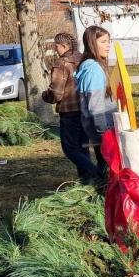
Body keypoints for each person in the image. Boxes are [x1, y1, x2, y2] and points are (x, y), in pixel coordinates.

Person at [42, 33, 95, 182]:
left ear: (65, 46)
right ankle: (86, 179)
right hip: (85, 109)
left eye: (56, 46)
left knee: (70, 149)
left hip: (69, 111)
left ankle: (96, 173)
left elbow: (56, 94)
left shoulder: (62, 64)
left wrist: (45, 96)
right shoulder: (83, 60)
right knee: (82, 147)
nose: (55, 49)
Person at [75, 25, 116, 178]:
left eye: (108, 41)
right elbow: (96, 107)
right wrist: (103, 133)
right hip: (103, 131)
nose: (108, 45)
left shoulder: (90, 66)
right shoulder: (94, 70)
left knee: (104, 165)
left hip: (99, 130)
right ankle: (102, 193)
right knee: (107, 169)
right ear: (93, 43)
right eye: (103, 42)